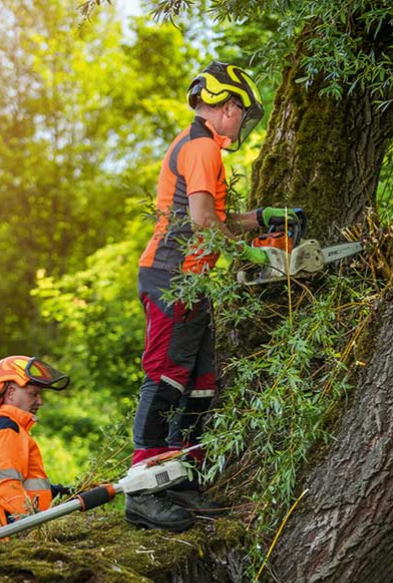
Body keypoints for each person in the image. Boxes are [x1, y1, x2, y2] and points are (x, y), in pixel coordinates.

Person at [127, 61, 300, 532]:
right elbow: (204, 225)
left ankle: (179, 478)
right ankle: (142, 491)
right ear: (228, 107)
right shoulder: (203, 146)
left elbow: (215, 220)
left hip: (193, 282)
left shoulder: (199, 144)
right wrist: (261, 258)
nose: (243, 123)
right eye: (243, 114)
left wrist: (261, 218)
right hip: (171, 278)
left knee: (200, 384)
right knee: (165, 380)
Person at [0, 355, 71, 531]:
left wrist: (68, 493)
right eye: (33, 394)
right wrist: (36, 527)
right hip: (8, 533)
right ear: (11, 393)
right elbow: (7, 489)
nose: (40, 401)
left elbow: (28, 486)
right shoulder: (6, 429)